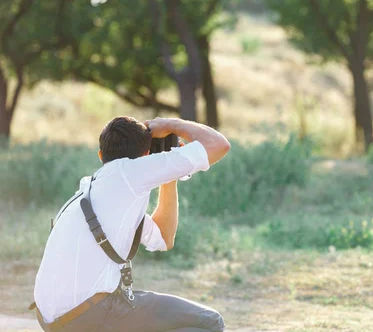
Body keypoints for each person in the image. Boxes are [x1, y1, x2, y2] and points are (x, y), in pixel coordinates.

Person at [33, 116, 231, 332]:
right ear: (146, 155)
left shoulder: (93, 189)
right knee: (210, 322)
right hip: (89, 316)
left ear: (101, 155)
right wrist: (169, 125)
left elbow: (164, 238)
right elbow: (219, 145)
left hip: (54, 320)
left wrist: (169, 176)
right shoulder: (131, 172)